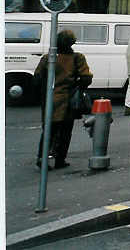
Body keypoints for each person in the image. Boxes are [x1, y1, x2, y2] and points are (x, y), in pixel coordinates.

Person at [34, 29, 92, 169]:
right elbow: (86, 78)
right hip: (67, 100)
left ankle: (42, 158)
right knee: (66, 131)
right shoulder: (77, 58)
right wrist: (76, 85)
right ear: (72, 43)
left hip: (49, 100)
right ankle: (60, 159)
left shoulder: (48, 58)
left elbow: (36, 79)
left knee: (48, 130)